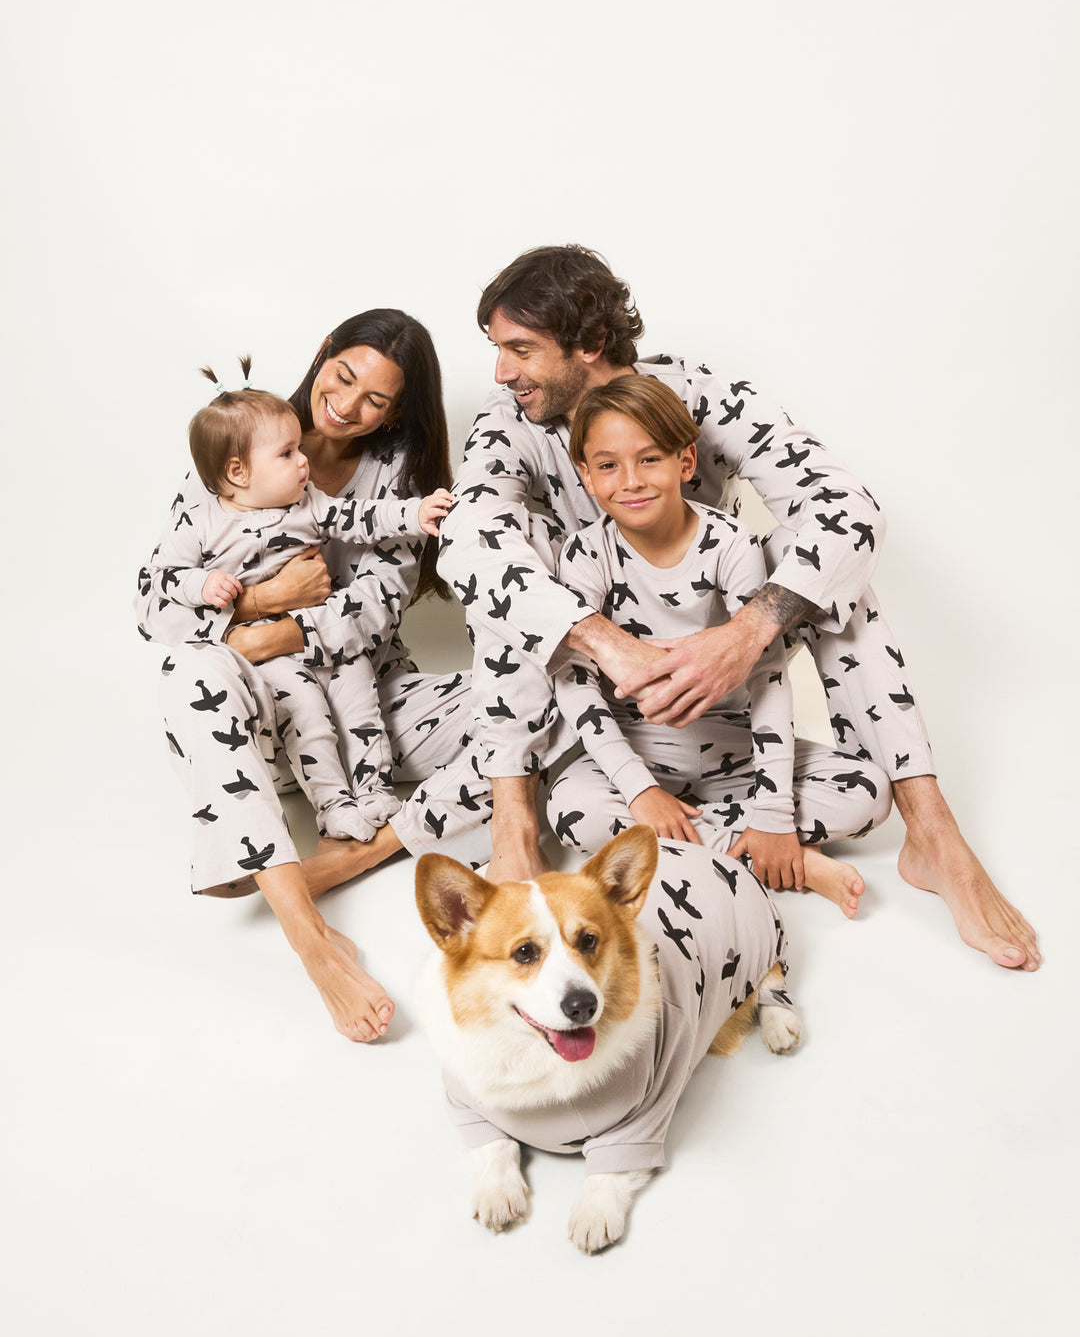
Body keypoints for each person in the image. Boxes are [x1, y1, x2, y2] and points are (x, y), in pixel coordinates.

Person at [438, 245, 1040, 971]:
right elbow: (467, 541)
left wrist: (748, 632)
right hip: (604, 696)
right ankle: (517, 829)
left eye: (520, 349)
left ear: (589, 344)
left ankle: (933, 833)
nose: (501, 372)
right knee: (499, 564)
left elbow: (849, 511)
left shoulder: (700, 394)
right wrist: (604, 642)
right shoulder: (511, 420)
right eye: (497, 350)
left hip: (723, 680)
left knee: (823, 565)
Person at [137, 310, 496, 1043]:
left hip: (370, 710)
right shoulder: (237, 445)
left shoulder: (393, 479)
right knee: (189, 669)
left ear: (397, 412)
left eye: (378, 400)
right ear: (323, 354)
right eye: (344, 377)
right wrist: (264, 603)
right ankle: (310, 938)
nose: (350, 405)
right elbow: (154, 607)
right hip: (265, 713)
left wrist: (293, 627)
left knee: (532, 696)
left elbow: (379, 604)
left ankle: (360, 853)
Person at [548, 373, 891, 916]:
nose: (631, 480)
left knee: (869, 791)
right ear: (586, 476)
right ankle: (785, 862)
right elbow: (574, 680)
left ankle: (742, 839)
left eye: (650, 459)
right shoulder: (585, 555)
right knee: (571, 811)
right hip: (639, 747)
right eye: (608, 465)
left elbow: (767, 672)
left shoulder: (730, 542)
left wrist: (773, 810)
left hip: (732, 747)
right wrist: (640, 791)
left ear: (686, 463)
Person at [149, 356, 453, 843]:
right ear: (237, 472)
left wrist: (416, 512)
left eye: (376, 399)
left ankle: (373, 790)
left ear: (395, 411)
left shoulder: (308, 500)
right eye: (288, 454)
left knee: (359, 703)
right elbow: (160, 582)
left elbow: (362, 519)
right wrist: (226, 595)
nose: (302, 461)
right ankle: (332, 803)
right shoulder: (205, 512)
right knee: (308, 712)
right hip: (271, 667)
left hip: (332, 645)